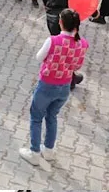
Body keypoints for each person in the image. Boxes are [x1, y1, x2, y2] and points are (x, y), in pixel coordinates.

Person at [19, 9, 88, 168]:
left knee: (36, 117)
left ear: (60, 22)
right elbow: (77, 65)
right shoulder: (82, 44)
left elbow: (39, 57)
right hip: (64, 87)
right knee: (52, 116)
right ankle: (49, 150)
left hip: (47, 85)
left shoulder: (53, 40)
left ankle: (35, 152)